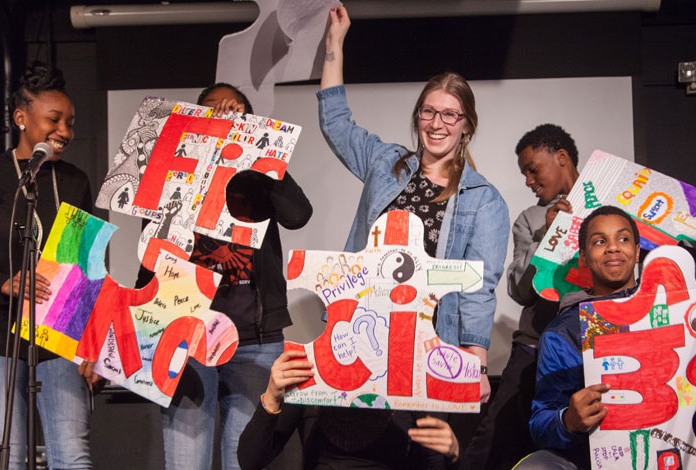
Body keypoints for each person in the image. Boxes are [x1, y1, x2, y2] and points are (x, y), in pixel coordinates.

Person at [463, 124, 696, 469]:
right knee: (498, 438)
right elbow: (519, 290)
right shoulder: (531, 219)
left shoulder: (621, 206)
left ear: (561, 158)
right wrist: (549, 233)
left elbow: (661, 259)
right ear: (586, 253)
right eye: (599, 243)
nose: (529, 180)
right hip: (546, 340)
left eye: (533, 169)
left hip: (625, 330)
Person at [317, 5, 509, 401]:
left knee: (418, 445)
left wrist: (477, 362)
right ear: (418, 115)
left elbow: (478, 287)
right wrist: (334, 43)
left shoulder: (483, 200)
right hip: (362, 328)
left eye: (450, 115)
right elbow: (336, 122)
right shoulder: (385, 163)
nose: (437, 124)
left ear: (467, 125)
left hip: (431, 340)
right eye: (429, 111)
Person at [137, 82, 314, 470]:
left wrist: (261, 147)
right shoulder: (176, 172)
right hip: (186, 334)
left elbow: (298, 214)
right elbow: (152, 249)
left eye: (236, 112)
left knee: (243, 460)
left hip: (254, 341)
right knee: (187, 462)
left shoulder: (260, 176)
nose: (226, 115)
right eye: (214, 110)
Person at [0, 62, 94, 470]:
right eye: (54, 119)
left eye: (70, 122)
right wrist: (6, 285)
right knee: (6, 458)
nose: (65, 131)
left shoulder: (74, 181)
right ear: (21, 118)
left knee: (73, 456)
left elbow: (85, 267)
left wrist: (90, 344)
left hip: (60, 335)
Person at [517, 206, 645, 469]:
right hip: (595, 456)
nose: (613, 248)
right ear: (584, 258)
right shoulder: (563, 332)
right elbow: (541, 422)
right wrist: (568, 420)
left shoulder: (668, 307)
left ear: (637, 251)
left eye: (623, 239)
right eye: (600, 241)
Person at [237, 349, 461, 469]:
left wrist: (453, 456)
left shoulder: (414, 381)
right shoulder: (312, 373)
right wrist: (271, 397)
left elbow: (433, 463)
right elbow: (250, 461)